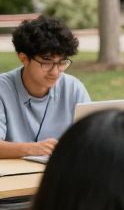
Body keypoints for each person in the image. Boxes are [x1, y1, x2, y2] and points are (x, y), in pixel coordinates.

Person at [0, 16, 89, 159]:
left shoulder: (74, 88)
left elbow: (93, 139)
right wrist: (33, 149)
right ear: (23, 58)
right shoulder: (2, 89)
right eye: (46, 62)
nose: (55, 72)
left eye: (62, 62)